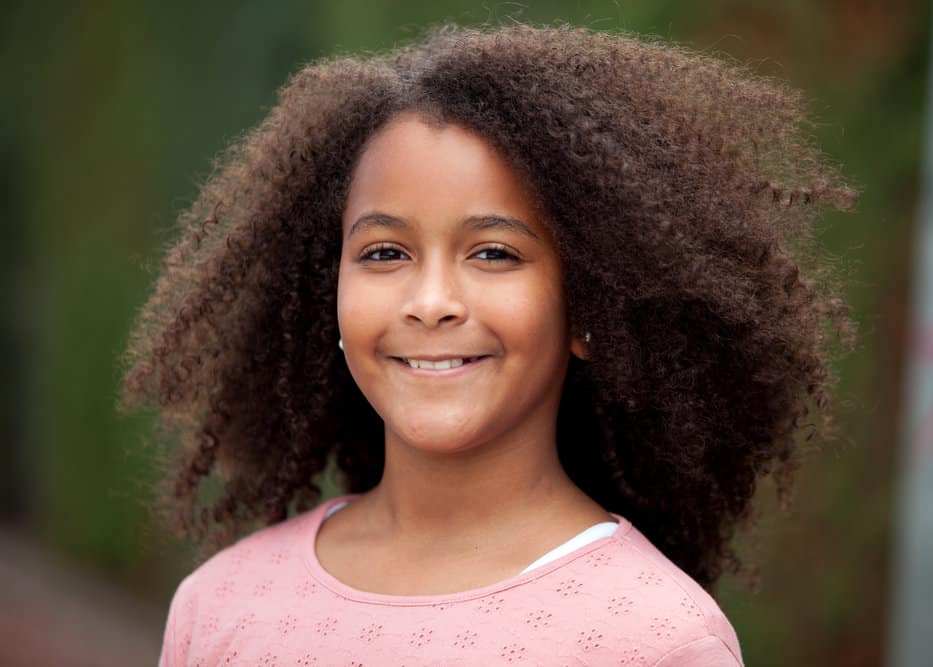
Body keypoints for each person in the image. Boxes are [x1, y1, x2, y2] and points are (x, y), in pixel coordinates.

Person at [119, 22, 855, 665]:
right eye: (383, 253)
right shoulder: (219, 609)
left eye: (494, 253)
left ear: (587, 310)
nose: (431, 302)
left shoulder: (657, 637)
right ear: (328, 299)